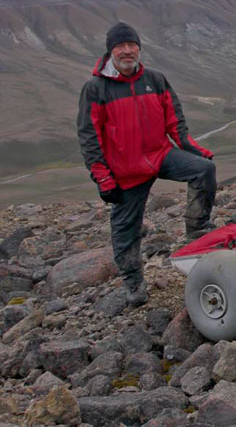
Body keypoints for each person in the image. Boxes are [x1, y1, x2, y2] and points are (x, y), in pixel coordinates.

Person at [77, 22, 216, 306]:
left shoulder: (154, 79)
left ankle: (197, 229)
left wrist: (192, 149)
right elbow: (89, 136)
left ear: (139, 48)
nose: (127, 51)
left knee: (204, 170)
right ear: (110, 51)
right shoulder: (96, 88)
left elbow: (174, 120)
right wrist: (102, 177)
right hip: (126, 170)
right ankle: (133, 284)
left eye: (132, 45)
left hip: (159, 154)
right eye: (120, 47)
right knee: (125, 230)